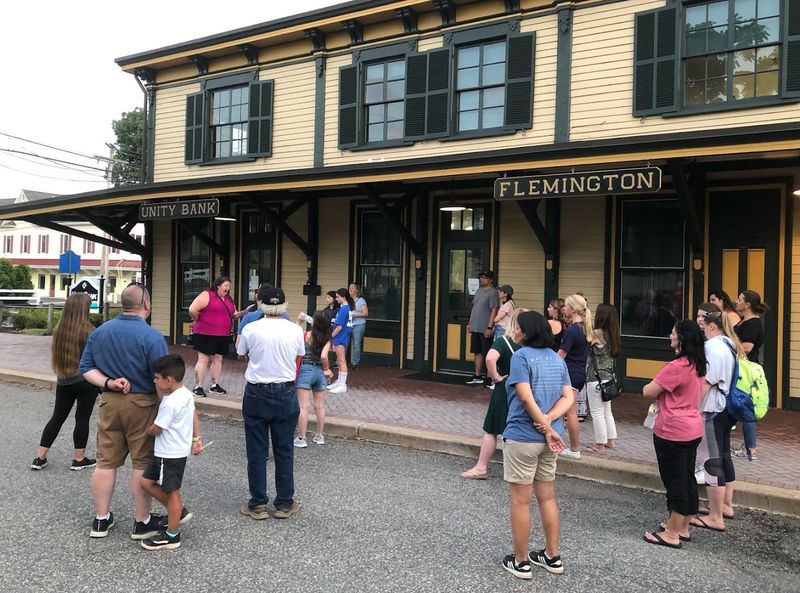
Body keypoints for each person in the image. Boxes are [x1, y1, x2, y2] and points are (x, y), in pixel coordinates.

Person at [79, 283, 169, 539]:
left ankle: (101, 520)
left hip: (110, 401)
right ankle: (142, 521)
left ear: (123, 303)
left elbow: (86, 368)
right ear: (146, 304)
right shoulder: (152, 336)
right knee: (142, 463)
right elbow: (162, 380)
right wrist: (166, 411)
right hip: (143, 404)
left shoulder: (101, 332)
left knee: (106, 461)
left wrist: (109, 382)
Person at [501, 311, 573, 580]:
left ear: (526, 332)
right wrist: (550, 423)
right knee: (547, 497)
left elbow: (525, 396)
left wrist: (543, 423)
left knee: (521, 500)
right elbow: (568, 397)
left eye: (517, 327)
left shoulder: (521, 356)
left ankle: (521, 561)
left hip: (523, 435)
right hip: (550, 439)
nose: (514, 331)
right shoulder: (556, 359)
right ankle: (552, 556)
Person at [237, 284, 305, 520]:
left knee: (256, 450)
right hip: (285, 390)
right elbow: (299, 355)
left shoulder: (250, 328)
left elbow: (240, 353)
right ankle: (284, 502)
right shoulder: (295, 330)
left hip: (257, 390)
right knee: (284, 449)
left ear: (260, 303)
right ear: (283, 305)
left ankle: (258, 504)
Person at [641, 320, 707, 549]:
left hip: (672, 429)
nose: (670, 335)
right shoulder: (698, 364)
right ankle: (683, 525)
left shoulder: (677, 366)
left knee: (675, 481)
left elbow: (648, 391)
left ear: (682, 339)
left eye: (673, 332)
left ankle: (671, 533)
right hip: (692, 426)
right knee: (687, 478)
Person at [690, 306, 745, 533]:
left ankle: (715, 517)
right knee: (723, 457)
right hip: (726, 409)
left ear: (712, 326)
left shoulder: (712, 347)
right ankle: (725, 505)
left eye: (704, 327)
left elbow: (706, 382)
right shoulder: (730, 345)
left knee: (710, 461)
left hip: (712, 409)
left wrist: (690, 406)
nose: (703, 331)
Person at [140, 354, 203, 551]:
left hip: (169, 453)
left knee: (172, 491)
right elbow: (193, 415)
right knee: (146, 482)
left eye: (157, 378)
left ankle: (172, 535)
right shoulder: (185, 394)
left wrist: (147, 431)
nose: (154, 381)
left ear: (168, 380)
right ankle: (178, 512)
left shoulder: (170, 403)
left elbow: (158, 428)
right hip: (171, 451)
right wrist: (196, 439)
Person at [31, 292, 98, 471]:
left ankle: (39, 458)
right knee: (82, 419)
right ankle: (78, 459)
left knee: (57, 418)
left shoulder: (59, 330)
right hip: (86, 381)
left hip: (64, 380)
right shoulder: (90, 331)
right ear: (84, 309)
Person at [460, 308, 526, 479]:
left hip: (505, 387)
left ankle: (481, 467)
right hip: (525, 389)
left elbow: (490, 358)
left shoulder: (504, 341)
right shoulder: (531, 345)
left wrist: (495, 376)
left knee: (492, 429)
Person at [188, 276, 246, 397]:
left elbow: (233, 314)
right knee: (204, 359)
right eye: (226, 286)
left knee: (218, 359)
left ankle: (214, 385)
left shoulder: (228, 299)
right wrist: (197, 319)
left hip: (223, 334)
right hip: (205, 333)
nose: (228, 288)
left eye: (229, 286)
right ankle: (198, 386)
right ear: (218, 286)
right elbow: (192, 309)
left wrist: (241, 313)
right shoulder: (207, 295)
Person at [732, 289, 769, 461]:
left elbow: (747, 348)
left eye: (740, 299)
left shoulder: (753, 323)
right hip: (740, 367)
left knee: (746, 406)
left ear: (747, 304)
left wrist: (728, 346)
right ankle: (745, 444)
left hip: (747, 369)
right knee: (738, 404)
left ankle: (750, 448)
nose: (736, 301)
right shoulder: (743, 321)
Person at [557, 294, 592, 459]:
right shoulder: (585, 328)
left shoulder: (572, 330)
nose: (563, 308)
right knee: (568, 412)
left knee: (570, 413)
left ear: (572, 309)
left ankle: (574, 449)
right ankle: (569, 446)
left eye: (565, 306)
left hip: (569, 373)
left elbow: (560, 355)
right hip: (579, 372)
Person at [583, 303, 620, 455]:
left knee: (597, 413)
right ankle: (611, 440)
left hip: (595, 378)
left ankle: (600, 444)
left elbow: (585, 343)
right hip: (608, 378)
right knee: (607, 411)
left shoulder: (597, 333)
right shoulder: (613, 334)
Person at [294, 311, 333, 448]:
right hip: (319, 371)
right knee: (319, 406)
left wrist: (299, 322)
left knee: (304, 406)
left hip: (305, 369)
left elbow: (294, 337)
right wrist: (326, 369)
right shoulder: (327, 339)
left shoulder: (306, 335)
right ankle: (319, 436)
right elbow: (323, 356)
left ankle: (301, 438)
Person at [465, 270, 500, 386]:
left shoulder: (493, 293)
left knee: (488, 353)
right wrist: (470, 323)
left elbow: (494, 310)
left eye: (485, 278)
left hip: (485, 328)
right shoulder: (479, 291)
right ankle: (478, 375)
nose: (482, 279)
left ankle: (490, 377)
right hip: (475, 327)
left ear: (491, 280)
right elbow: (474, 308)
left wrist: (490, 327)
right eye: (481, 277)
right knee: (477, 351)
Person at [327, 288, 354, 394]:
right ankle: (339, 381)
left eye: (338, 297)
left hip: (340, 337)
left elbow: (339, 327)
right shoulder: (347, 308)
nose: (336, 299)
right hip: (343, 337)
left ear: (344, 297)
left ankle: (342, 384)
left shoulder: (344, 309)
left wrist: (330, 336)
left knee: (341, 361)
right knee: (340, 360)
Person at [348, 282, 369, 369]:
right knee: (344, 342)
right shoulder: (347, 301)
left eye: (352, 288)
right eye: (349, 288)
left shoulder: (361, 300)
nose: (350, 289)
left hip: (358, 324)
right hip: (348, 324)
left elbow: (366, 313)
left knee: (356, 344)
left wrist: (355, 315)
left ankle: (355, 363)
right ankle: (340, 361)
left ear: (357, 290)